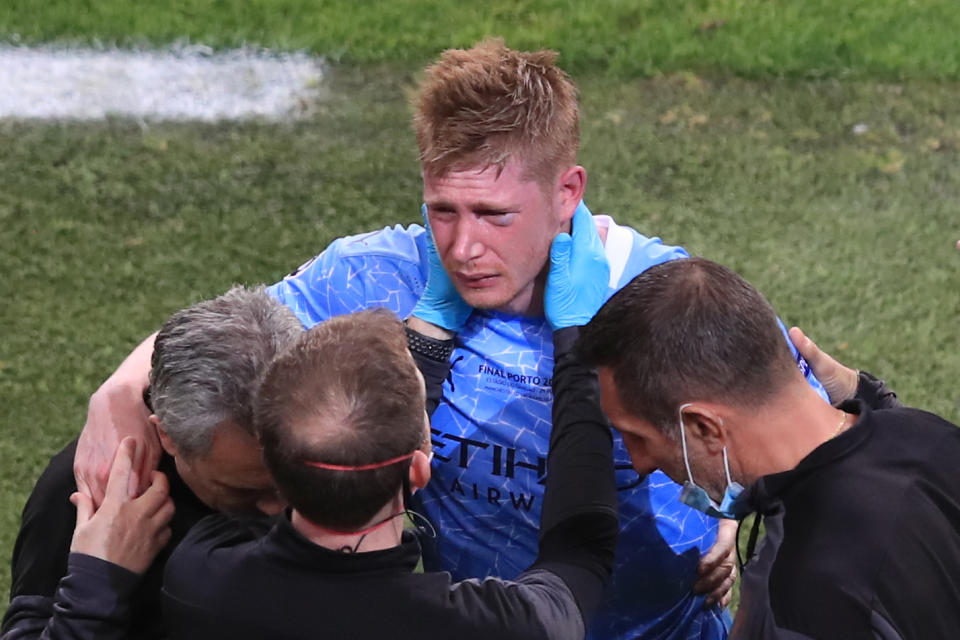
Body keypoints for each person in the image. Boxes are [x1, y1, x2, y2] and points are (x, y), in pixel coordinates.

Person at [74, 40, 827, 639]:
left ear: (567, 191)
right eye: (444, 209)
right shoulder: (374, 275)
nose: (463, 247)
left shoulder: (666, 298)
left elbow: (809, 444)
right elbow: (230, 335)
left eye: (493, 214)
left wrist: (730, 514)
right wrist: (113, 395)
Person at [162, 254, 617, 639]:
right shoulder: (497, 626)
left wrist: (427, 336)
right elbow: (580, 550)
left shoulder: (199, 577)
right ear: (419, 470)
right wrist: (578, 350)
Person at [577, 257, 960, 639]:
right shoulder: (929, 435)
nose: (640, 464)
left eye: (638, 437)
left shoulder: (793, 600)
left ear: (704, 427)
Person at [2, 287, 300, 639]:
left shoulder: (349, 446)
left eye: (296, 477)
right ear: (168, 436)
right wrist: (98, 581)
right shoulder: (95, 492)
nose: (282, 507)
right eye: (246, 490)